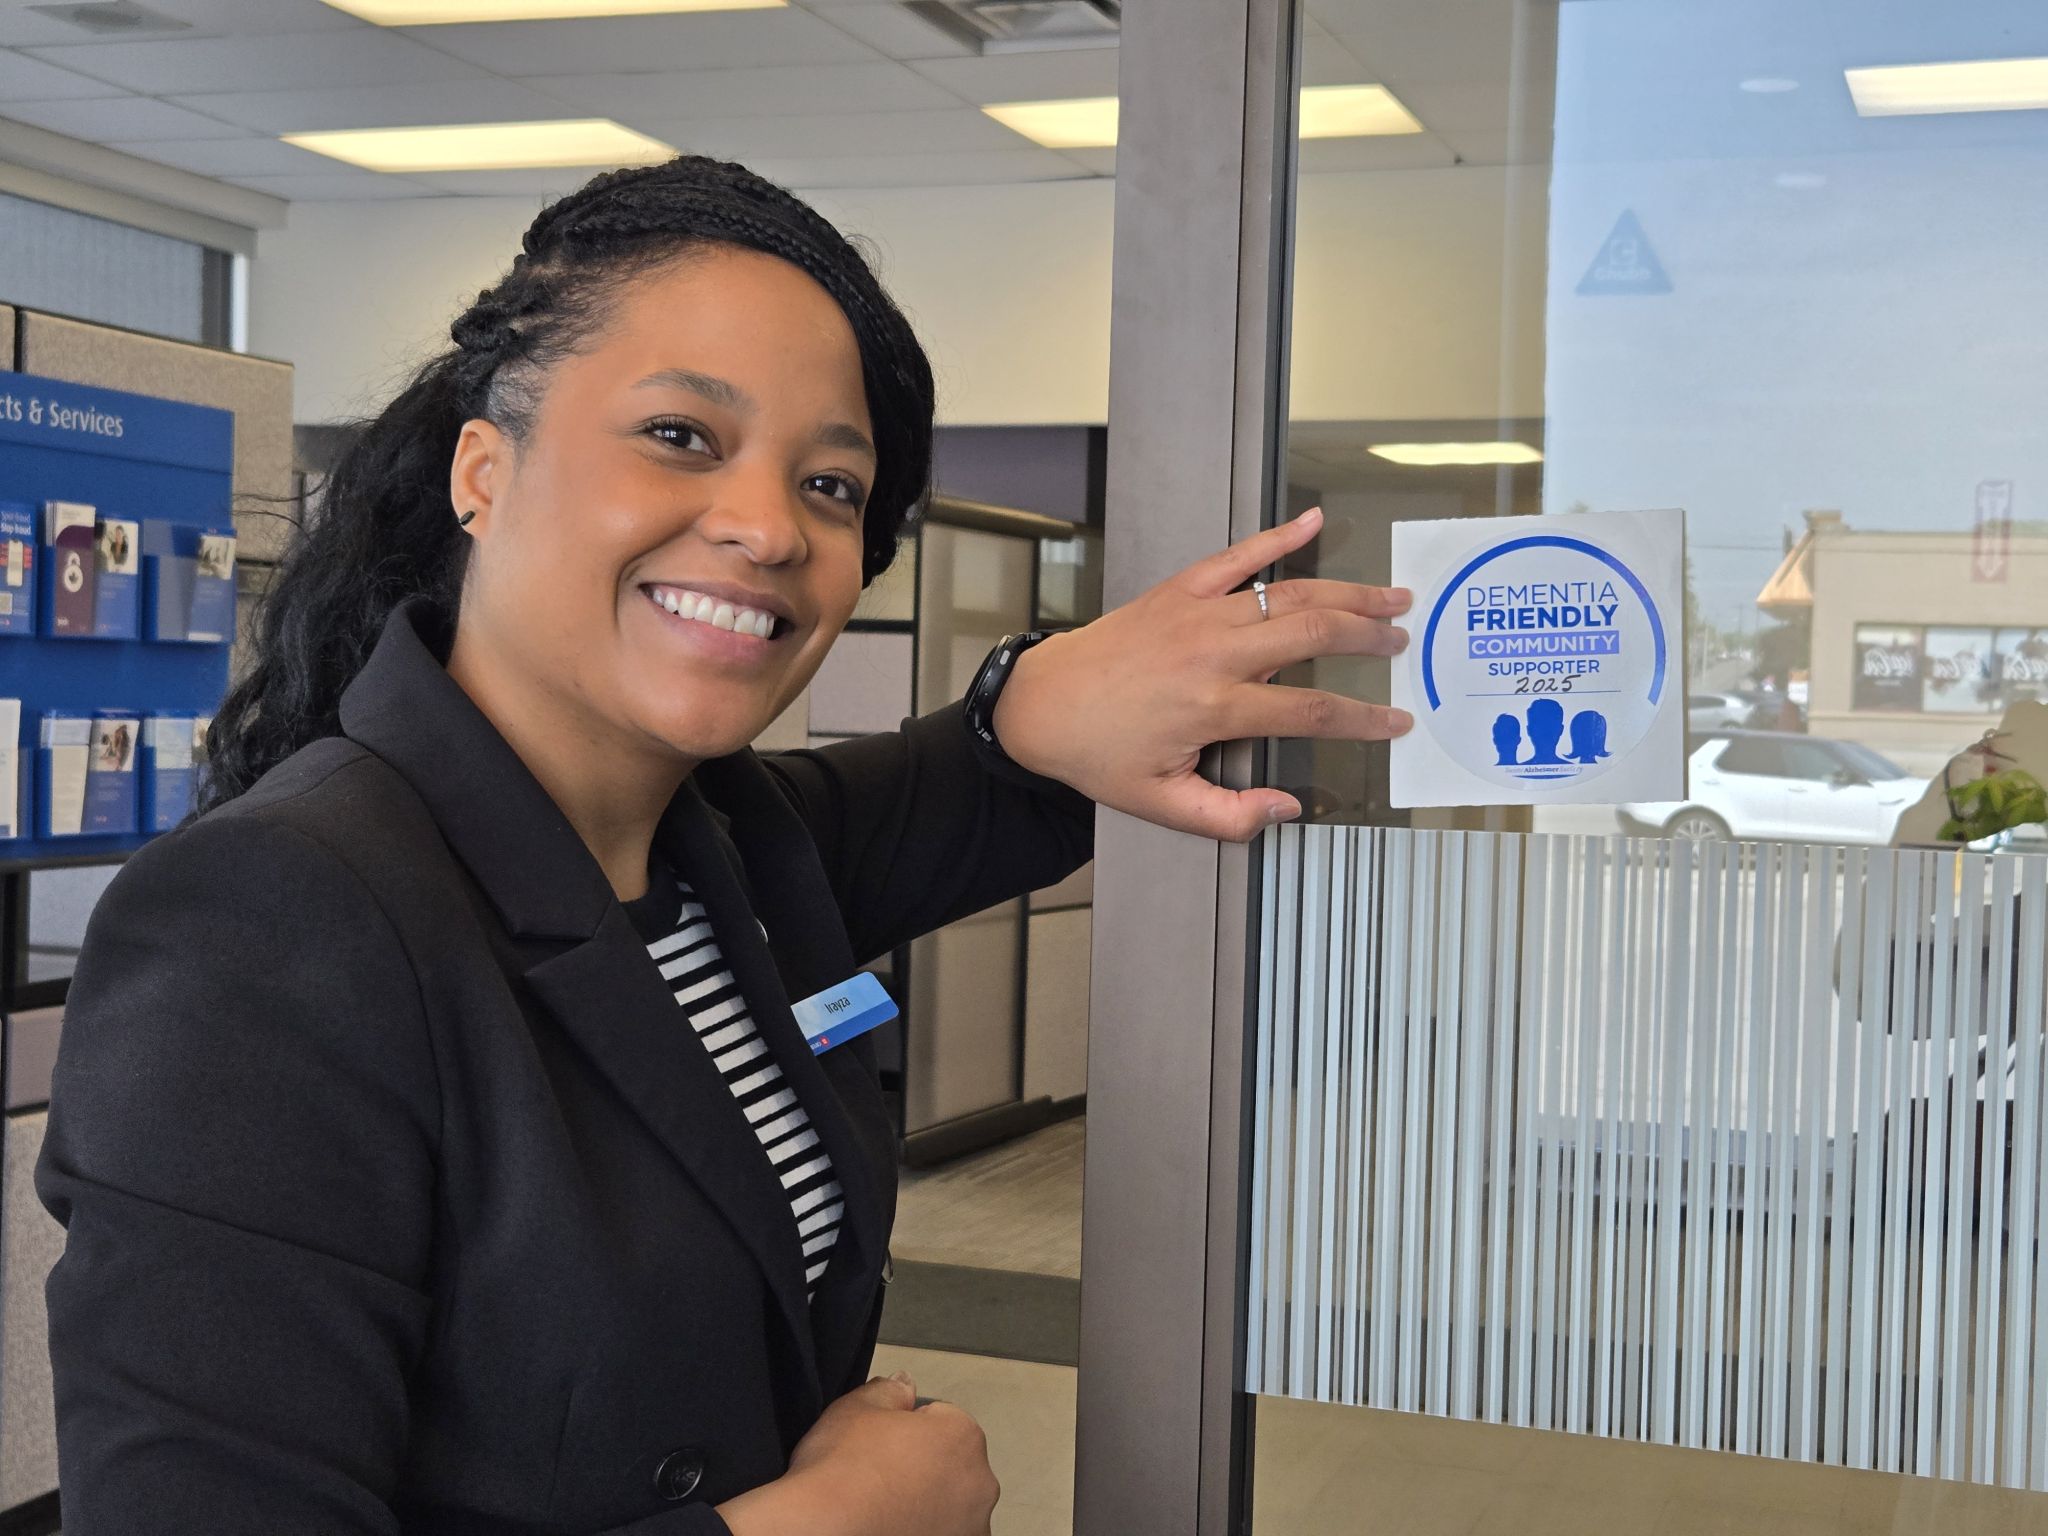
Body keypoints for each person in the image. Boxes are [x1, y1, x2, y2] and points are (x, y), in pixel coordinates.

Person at [34, 157, 1415, 1536]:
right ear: (483, 469)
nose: (770, 528)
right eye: (681, 436)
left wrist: (1059, 692)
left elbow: (979, 769)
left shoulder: (732, 852)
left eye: (830, 483)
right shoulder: (272, 920)